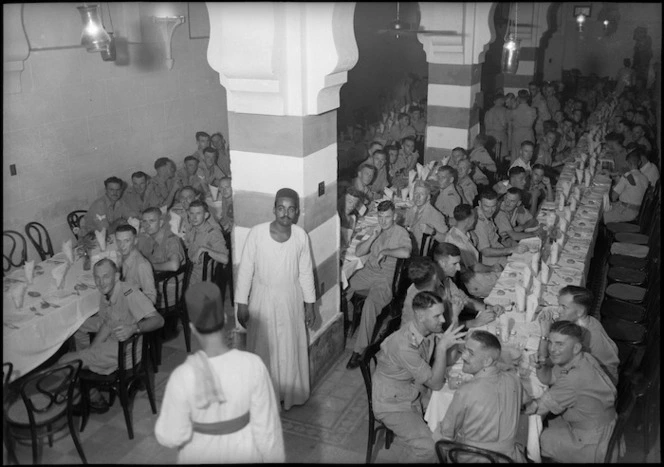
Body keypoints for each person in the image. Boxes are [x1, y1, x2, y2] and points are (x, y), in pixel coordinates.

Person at [155, 282, 284, 463]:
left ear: (192, 328)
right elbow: (268, 434)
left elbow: (169, 436)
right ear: (224, 318)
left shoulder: (182, 376)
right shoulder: (253, 366)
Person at [235, 188, 316, 410]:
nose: (285, 214)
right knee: (264, 346)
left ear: (297, 212)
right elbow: (246, 270)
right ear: (274, 209)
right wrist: (241, 303)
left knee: (289, 346)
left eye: (291, 209)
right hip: (262, 298)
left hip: (291, 298)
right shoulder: (257, 233)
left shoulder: (300, 236)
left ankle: (288, 394)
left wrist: (310, 305)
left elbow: (306, 272)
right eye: (281, 208)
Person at [372, 291, 467, 463]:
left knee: (454, 421)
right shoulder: (404, 345)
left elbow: (450, 358)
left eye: (443, 314)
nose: (443, 320)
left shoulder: (427, 329)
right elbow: (436, 385)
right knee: (429, 448)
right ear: (420, 315)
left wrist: (454, 318)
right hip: (392, 404)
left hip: (413, 391)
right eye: (437, 316)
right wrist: (441, 349)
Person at [59, 258, 164, 408]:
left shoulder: (129, 293)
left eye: (106, 276)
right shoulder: (107, 292)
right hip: (114, 340)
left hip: (124, 353)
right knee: (76, 328)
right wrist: (92, 349)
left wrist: (134, 328)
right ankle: (87, 369)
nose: (101, 282)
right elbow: (108, 323)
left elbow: (159, 321)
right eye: (97, 277)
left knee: (64, 361)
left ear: (116, 276)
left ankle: (92, 394)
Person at [524, 321, 617, 463]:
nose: (552, 349)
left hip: (593, 444)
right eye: (550, 342)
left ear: (576, 348)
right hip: (598, 426)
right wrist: (541, 363)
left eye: (560, 344)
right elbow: (549, 378)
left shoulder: (573, 378)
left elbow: (535, 409)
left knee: (528, 440)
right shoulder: (583, 358)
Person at [435, 330, 525, 462]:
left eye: (470, 353)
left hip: (473, 458)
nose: (463, 356)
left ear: (487, 361)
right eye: (464, 350)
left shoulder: (465, 391)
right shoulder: (514, 380)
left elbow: (446, 434)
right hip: (509, 458)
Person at [345, 200, 412, 369]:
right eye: (380, 217)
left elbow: (406, 252)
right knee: (344, 287)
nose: (383, 221)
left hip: (385, 278)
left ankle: (359, 350)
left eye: (387, 217)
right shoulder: (376, 229)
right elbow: (359, 251)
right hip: (369, 272)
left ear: (394, 216)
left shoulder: (401, 232)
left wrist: (385, 251)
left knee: (370, 305)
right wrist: (373, 236)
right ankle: (348, 322)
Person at [537, 286, 619, 385]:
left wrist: (544, 335)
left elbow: (546, 366)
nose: (558, 310)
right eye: (559, 305)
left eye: (564, 307)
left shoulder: (581, 338)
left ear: (580, 312)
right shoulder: (588, 321)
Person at [433, 242, 504, 324]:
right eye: (454, 264)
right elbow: (442, 326)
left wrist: (488, 308)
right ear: (442, 263)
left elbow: (465, 299)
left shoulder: (446, 279)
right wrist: (475, 322)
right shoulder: (431, 286)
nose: (459, 268)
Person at [444, 204, 501, 299]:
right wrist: (492, 268)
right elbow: (475, 267)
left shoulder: (456, 232)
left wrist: (471, 232)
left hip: (470, 275)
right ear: (468, 221)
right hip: (472, 282)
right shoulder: (460, 243)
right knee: (505, 280)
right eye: (474, 218)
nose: (476, 220)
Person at [473, 189, 527, 267]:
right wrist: (511, 250)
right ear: (479, 203)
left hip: (500, 254)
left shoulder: (484, 213)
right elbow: (485, 251)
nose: (490, 210)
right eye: (486, 206)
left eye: (493, 206)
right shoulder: (479, 222)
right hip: (491, 263)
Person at [184, 200, 229, 285]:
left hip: (200, 281)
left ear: (206, 215)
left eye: (198, 213)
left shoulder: (213, 233)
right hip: (189, 274)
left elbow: (225, 259)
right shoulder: (193, 229)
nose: (194, 217)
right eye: (191, 213)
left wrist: (203, 249)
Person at [115, 224, 157, 305]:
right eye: (118, 241)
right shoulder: (121, 256)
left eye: (127, 241)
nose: (121, 246)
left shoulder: (142, 265)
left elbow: (151, 299)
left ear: (135, 241)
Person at [603, 151, 649, 224]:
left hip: (626, 212)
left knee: (600, 216)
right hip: (637, 211)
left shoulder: (627, 176)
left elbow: (613, 197)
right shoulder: (645, 178)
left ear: (627, 163)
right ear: (639, 162)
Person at [403, 181, 448, 255]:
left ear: (428, 197)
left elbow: (446, 239)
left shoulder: (435, 215)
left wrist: (432, 232)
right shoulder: (411, 211)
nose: (418, 197)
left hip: (420, 256)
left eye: (422, 194)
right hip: (407, 248)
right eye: (416, 193)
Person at [508, 90, 537, 163]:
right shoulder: (533, 110)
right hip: (528, 134)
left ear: (519, 98)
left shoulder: (514, 111)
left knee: (516, 154)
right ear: (528, 98)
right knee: (528, 154)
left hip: (517, 135)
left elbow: (509, 120)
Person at [484, 93, 509, 162]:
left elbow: (486, 125)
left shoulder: (488, 111)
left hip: (490, 136)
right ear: (502, 100)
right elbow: (504, 124)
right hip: (500, 135)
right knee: (500, 156)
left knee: (491, 155)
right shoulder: (504, 110)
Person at [339, 186, 363, 252]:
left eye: (355, 204)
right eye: (349, 202)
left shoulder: (353, 218)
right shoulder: (336, 219)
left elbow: (348, 241)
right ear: (342, 200)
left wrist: (357, 234)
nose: (352, 206)